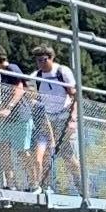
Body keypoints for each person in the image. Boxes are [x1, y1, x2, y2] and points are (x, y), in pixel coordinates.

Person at [34, 44, 80, 196]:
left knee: (68, 155)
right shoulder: (37, 75)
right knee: (46, 153)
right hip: (47, 119)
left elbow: (75, 95)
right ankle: (45, 188)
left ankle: (81, 187)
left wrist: (73, 118)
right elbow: (31, 92)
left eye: (43, 59)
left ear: (51, 58)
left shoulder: (62, 71)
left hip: (63, 117)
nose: (40, 63)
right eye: (38, 60)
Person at [0, 48, 39, 193]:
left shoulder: (11, 68)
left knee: (21, 151)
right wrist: (1, 108)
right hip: (8, 119)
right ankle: (10, 183)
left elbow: (19, 88)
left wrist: (9, 108)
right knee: (3, 148)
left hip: (20, 116)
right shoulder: (2, 73)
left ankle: (34, 184)